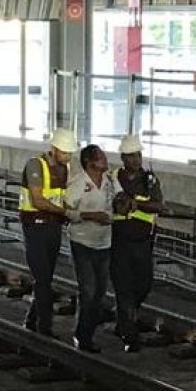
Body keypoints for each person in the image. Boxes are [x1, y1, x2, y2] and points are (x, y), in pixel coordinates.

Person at [110, 134, 164, 353]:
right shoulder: (112, 178)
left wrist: (135, 205)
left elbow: (158, 205)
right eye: (132, 156)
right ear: (123, 157)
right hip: (118, 240)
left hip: (142, 241)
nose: (136, 160)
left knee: (143, 285)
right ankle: (129, 335)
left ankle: (125, 318)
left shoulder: (150, 180)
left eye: (139, 155)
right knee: (123, 288)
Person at [19, 129, 75, 337]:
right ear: (54, 149)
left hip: (53, 228)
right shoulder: (35, 165)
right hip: (35, 228)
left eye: (70, 153)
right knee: (43, 280)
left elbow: (61, 197)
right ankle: (45, 328)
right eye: (65, 152)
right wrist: (66, 211)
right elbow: (37, 200)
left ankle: (31, 320)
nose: (68, 157)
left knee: (45, 278)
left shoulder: (64, 169)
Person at [65, 144, 117, 353]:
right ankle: (82, 336)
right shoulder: (78, 184)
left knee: (99, 292)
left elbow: (117, 201)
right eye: (101, 157)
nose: (105, 160)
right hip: (82, 243)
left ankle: (88, 330)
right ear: (90, 162)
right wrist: (89, 216)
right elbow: (67, 211)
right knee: (88, 290)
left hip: (104, 242)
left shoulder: (109, 182)